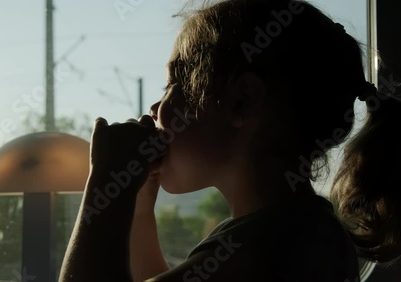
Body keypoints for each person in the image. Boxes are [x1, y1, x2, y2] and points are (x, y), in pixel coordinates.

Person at [59, 0, 401, 281]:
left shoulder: (274, 243)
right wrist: (138, 207)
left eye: (173, 85)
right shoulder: (297, 228)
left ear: (241, 101)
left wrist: (106, 183)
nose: (154, 108)